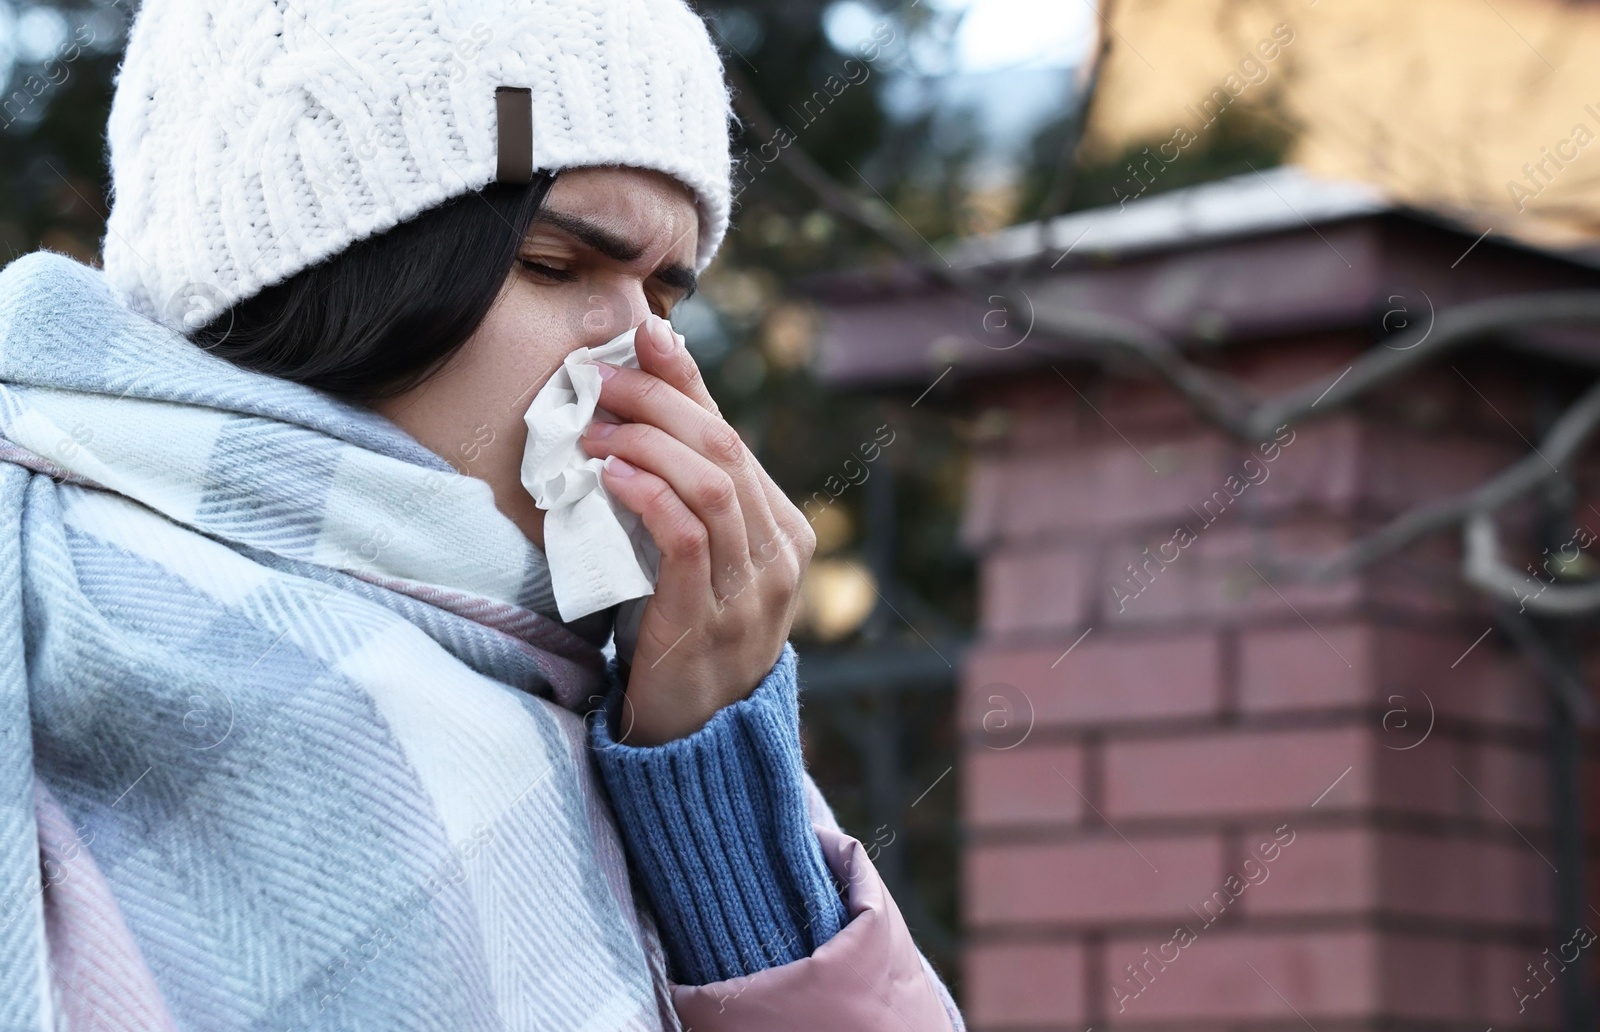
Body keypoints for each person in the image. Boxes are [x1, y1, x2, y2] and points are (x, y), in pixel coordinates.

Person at [0, 0, 965, 1029]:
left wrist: (710, 783)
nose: (645, 358)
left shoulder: (615, 684)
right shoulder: (52, 610)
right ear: (334, 272)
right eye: (555, 267)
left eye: (669, 300)